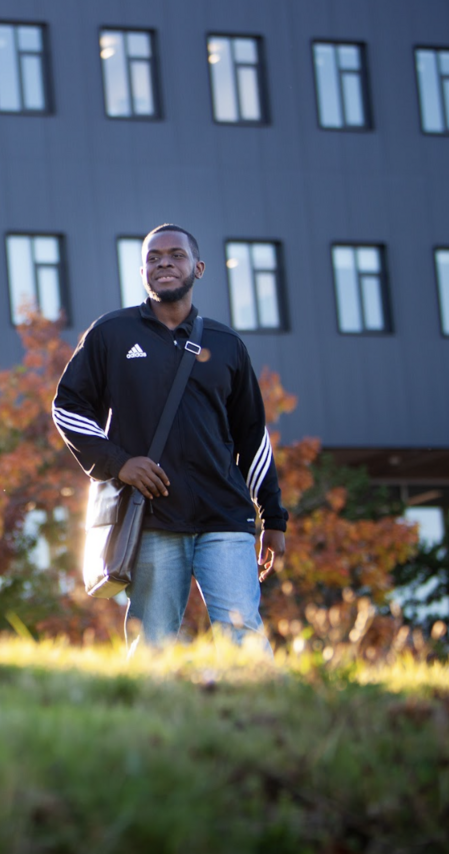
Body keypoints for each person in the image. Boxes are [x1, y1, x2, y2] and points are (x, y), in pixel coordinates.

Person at [52, 224, 287, 651]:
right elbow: (68, 407)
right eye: (153, 257)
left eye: (176, 255)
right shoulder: (111, 333)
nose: (164, 263)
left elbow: (253, 435)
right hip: (152, 519)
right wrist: (119, 463)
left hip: (226, 517)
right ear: (141, 271)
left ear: (198, 268)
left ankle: (259, 698)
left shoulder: (227, 343)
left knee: (244, 637)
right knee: (153, 645)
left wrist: (273, 516)